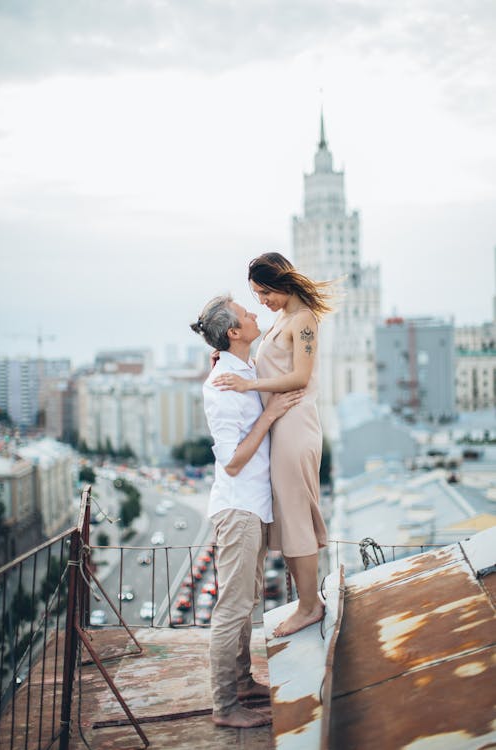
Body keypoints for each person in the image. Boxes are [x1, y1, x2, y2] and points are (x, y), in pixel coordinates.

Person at [190, 294, 303, 729]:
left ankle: (241, 682)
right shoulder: (222, 386)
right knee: (233, 609)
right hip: (237, 510)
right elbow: (233, 461)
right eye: (246, 313)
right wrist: (270, 414)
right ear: (235, 332)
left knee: (246, 600)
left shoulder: (240, 369)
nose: (255, 313)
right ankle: (225, 707)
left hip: (251, 507)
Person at [212, 252, 335, 638]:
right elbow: (268, 366)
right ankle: (307, 603)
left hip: (295, 427)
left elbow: (299, 376)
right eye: (257, 295)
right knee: (289, 513)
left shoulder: (304, 321)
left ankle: (309, 606)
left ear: (282, 283)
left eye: (265, 292)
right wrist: (225, 360)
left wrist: (249, 386)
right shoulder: (283, 319)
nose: (262, 302)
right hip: (280, 427)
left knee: (296, 513)